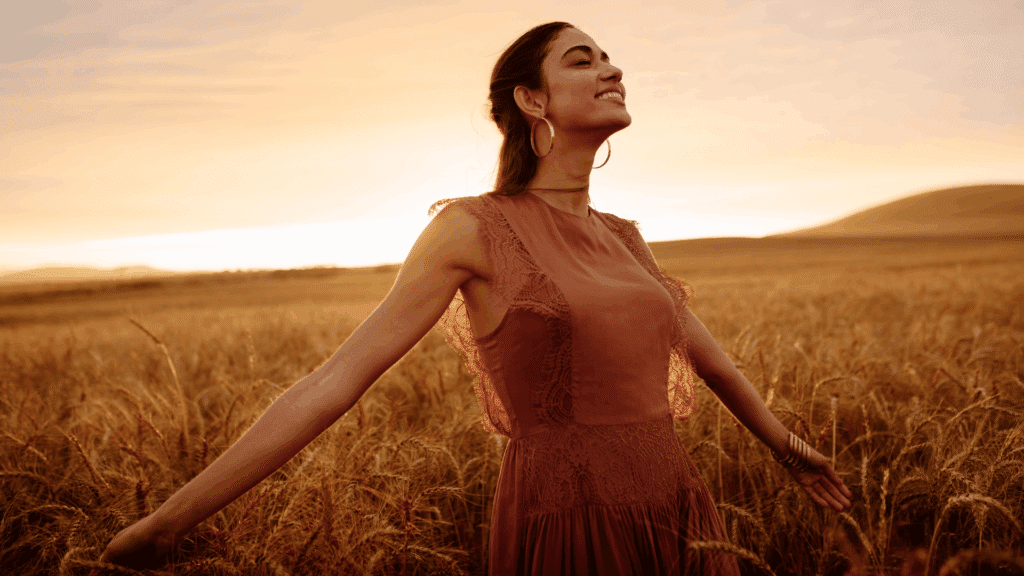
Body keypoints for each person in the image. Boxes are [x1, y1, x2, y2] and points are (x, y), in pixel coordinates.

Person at [100, 21, 853, 574]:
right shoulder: (472, 228)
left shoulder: (624, 236)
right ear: (532, 98)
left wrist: (790, 450)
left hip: (677, 508)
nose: (612, 68)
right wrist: (169, 523)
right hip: (568, 519)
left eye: (612, 58)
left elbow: (712, 364)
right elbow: (335, 382)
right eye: (583, 60)